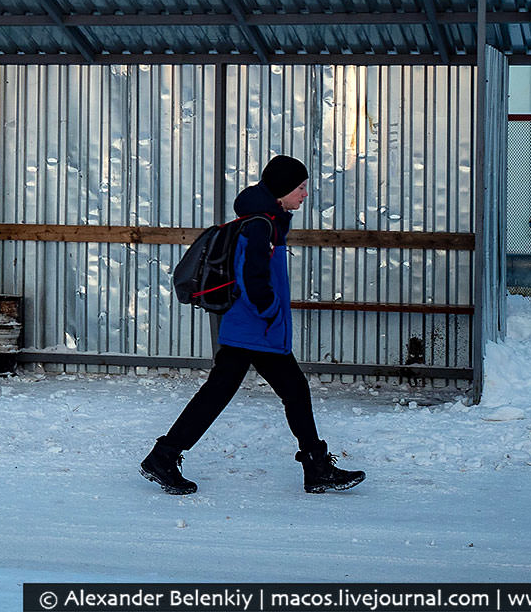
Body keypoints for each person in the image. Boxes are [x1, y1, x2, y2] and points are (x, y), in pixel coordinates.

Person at [141, 154, 366, 495]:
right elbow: (253, 277)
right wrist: (271, 310)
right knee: (269, 392)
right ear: (282, 190)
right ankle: (164, 456)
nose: (305, 194)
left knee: (278, 391)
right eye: (301, 188)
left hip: (251, 328)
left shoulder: (266, 220)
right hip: (254, 328)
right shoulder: (260, 224)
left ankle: (165, 456)